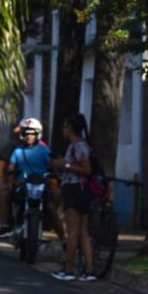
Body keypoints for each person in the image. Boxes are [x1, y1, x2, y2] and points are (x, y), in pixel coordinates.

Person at [51, 113, 96, 282]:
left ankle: (68, 268)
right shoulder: (77, 146)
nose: (63, 130)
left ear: (70, 128)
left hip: (76, 190)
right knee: (83, 232)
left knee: (73, 233)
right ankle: (89, 270)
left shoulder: (78, 146)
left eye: (64, 126)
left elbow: (86, 170)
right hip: (79, 190)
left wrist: (66, 165)